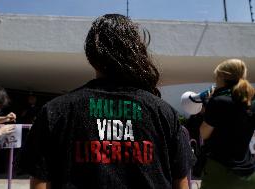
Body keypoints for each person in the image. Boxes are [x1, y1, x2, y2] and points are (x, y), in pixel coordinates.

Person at [16, 14, 195, 189]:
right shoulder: (163, 112)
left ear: (90, 54)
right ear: (137, 51)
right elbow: (181, 181)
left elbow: (40, 180)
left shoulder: (56, 111)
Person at [200, 59, 255, 189]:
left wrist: (208, 104)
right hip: (248, 174)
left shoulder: (218, 101)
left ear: (222, 77)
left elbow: (204, 133)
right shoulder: (251, 103)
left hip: (220, 172)